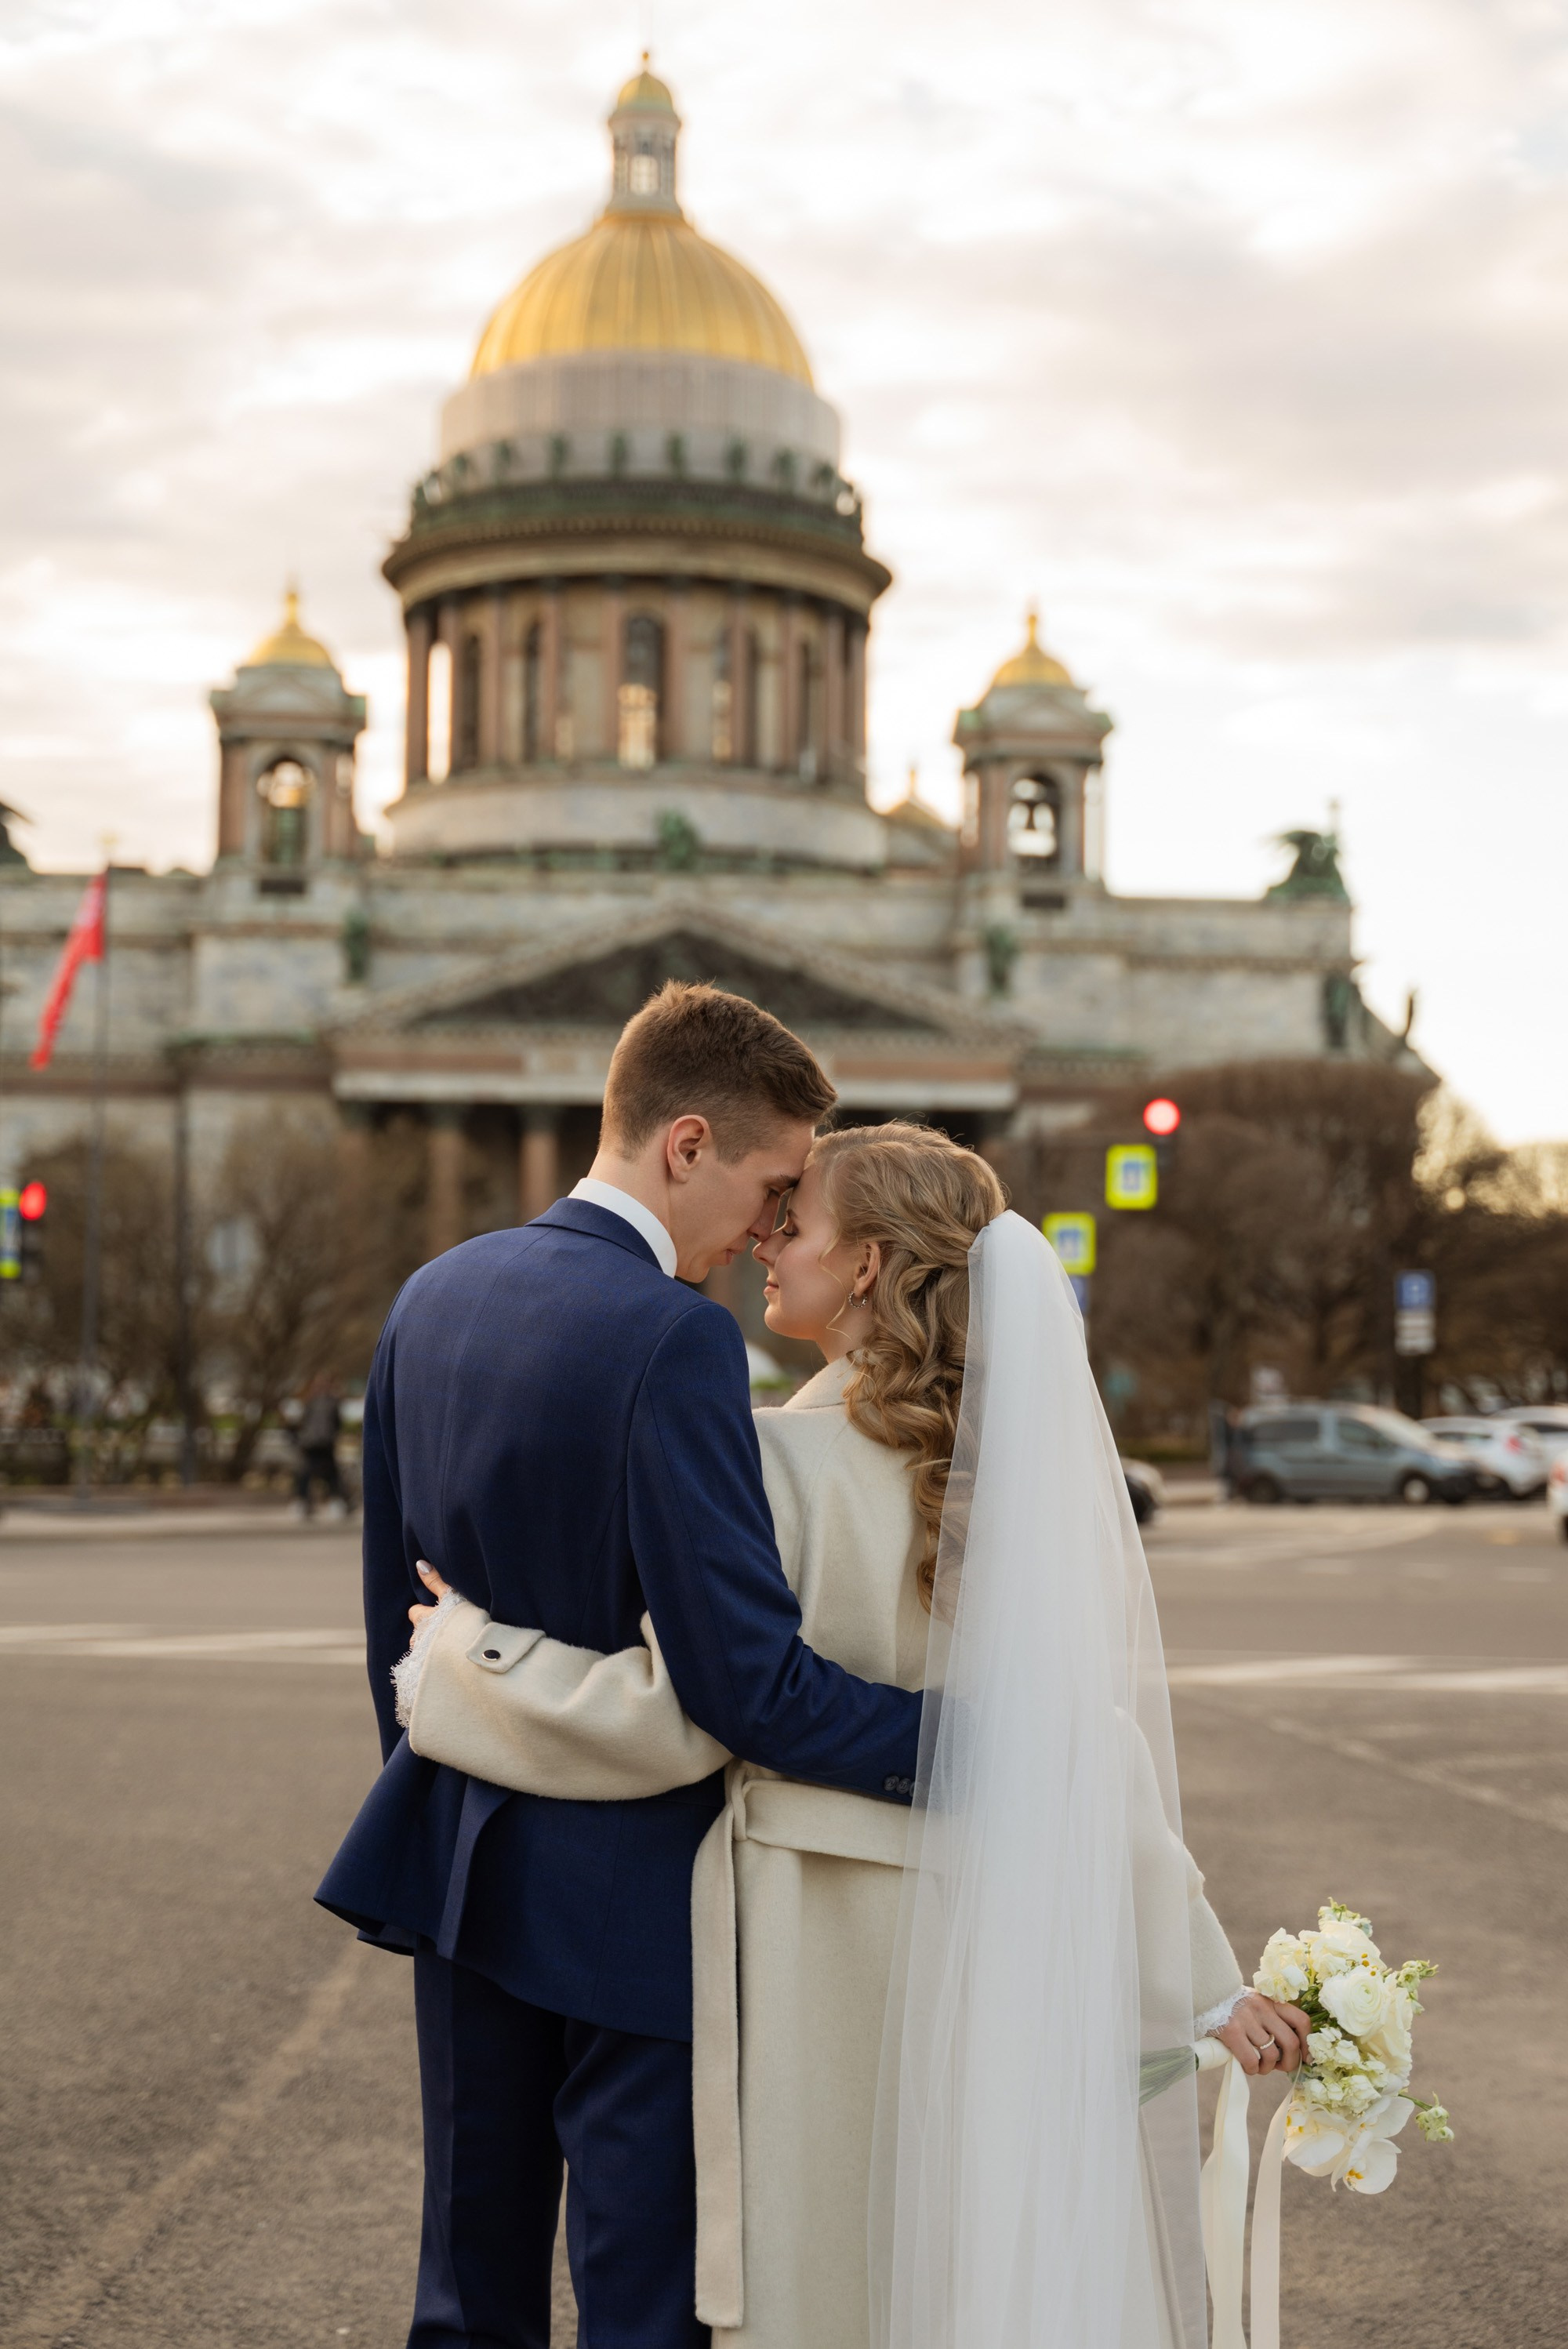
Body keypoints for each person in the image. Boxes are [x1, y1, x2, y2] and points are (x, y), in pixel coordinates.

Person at [397, 1124, 1310, 2349]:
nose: (768, 1238)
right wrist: (1201, 1979)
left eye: (798, 1219)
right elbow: (1081, 1741)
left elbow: (683, 1716)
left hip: (809, 1933)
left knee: (820, 2282)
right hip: (982, 1939)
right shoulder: (1013, 1475)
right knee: (951, 2277)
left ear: (871, 1263)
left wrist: (462, 1662)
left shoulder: (774, 1457)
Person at [315, 988, 924, 2349]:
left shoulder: (436, 1293)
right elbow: (742, 1683)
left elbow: (393, 1634)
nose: (772, 1227)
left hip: (458, 1859)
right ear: (687, 1143)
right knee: (644, 2298)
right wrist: (960, 1741)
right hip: (641, 1901)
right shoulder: (675, 1337)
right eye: (772, 1186)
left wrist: (448, 1789)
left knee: (469, 2289)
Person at [292, 1377, 347, 1519]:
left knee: (329, 1474)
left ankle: (335, 1502)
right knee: (308, 1474)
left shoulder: (330, 1402)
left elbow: (336, 1423)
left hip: (324, 1443)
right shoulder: (311, 1402)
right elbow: (305, 1422)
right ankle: (303, 1503)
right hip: (312, 1443)